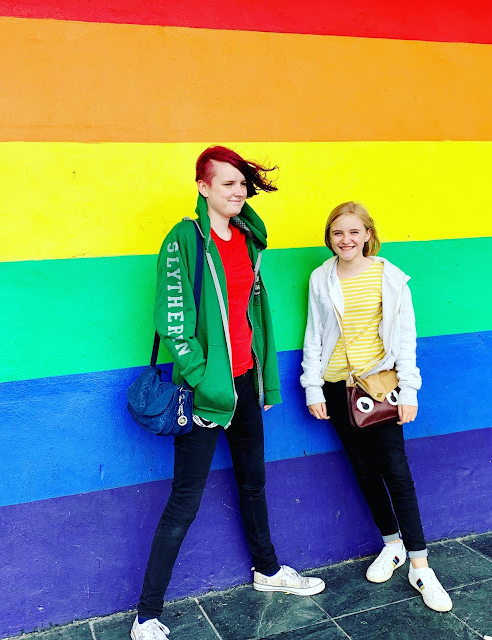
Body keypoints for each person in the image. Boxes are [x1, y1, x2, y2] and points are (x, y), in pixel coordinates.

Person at [132, 146, 325, 640]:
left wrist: (260, 382)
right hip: (204, 392)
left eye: (243, 184)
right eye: (228, 184)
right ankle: (147, 615)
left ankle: (267, 570)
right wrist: (202, 384)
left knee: (254, 482)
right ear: (202, 188)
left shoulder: (246, 238)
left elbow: (254, 316)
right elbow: (173, 321)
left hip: (245, 382)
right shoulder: (185, 239)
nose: (238, 192)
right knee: (185, 500)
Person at [300, 201, 452, 613]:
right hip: (336, 388)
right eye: (337, 233)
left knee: (396, 472)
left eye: (353, 232)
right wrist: (313, 387)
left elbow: (405, 339)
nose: (345, 240)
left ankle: (420, 565)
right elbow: (314, 334)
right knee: (363, 469)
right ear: (329, 238)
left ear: (368, 234)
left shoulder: (389, 277)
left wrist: (410, 391)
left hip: (380, 388)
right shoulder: (320, 278)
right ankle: (392, 545)